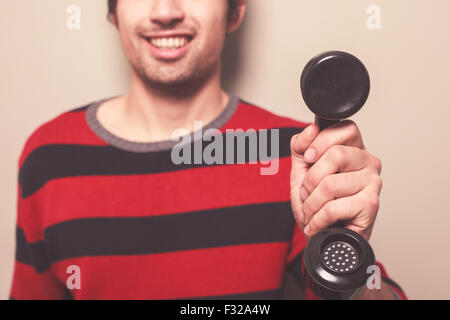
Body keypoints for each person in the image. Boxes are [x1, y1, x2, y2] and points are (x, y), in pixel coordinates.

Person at [10, 0, 406, 300]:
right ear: (113, 12)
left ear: (235, 12)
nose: (165, 11)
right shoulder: (49, 156)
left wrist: (346, 249)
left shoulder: (296, 153)